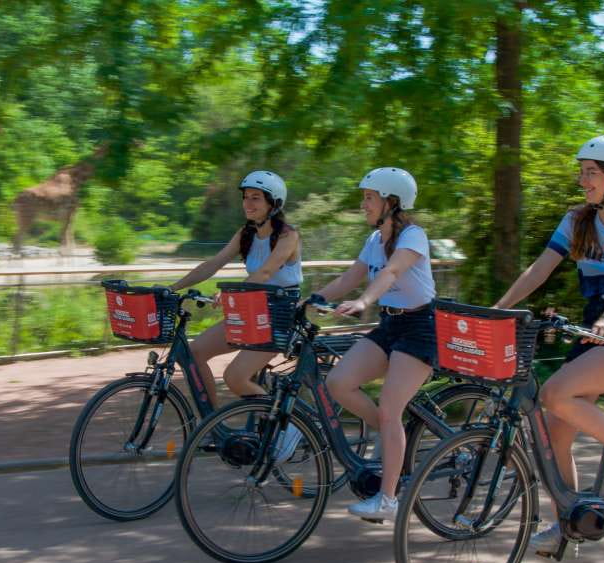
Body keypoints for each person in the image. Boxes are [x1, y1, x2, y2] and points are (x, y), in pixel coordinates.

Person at [492, 134, 604, 555]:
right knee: (554, 434)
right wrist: (500, 307)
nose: (582, 179)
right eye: (581, 171)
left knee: (553, 393)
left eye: (591, 173)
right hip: (595, 331)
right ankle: (567, 521)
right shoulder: (577, 220)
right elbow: (540, 269)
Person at [310, 167, 436, 521]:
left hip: (420, 327)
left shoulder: (413, 236)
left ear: (391, 201)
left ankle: (387, 501)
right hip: (390, 323)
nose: (363, 204)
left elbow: (392, 272)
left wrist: (364, 302)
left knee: (389, 407)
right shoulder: (373, 240)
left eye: (369, 197)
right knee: (338, 382)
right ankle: (392, 433)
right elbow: (350, 276)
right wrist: (311, 298)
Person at [168, 171, 303, 453]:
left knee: (235, 378)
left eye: (255, 198)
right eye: (245, 198)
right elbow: (212, 264)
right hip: (251, 310)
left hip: (279, 316)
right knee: (195, 353)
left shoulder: (289, 236)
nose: (247, 203)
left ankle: (288, 429)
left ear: (273, 204)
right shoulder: (246, 234)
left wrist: (230, 293)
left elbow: (266, 272)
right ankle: (214, 425)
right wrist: (173, 288)